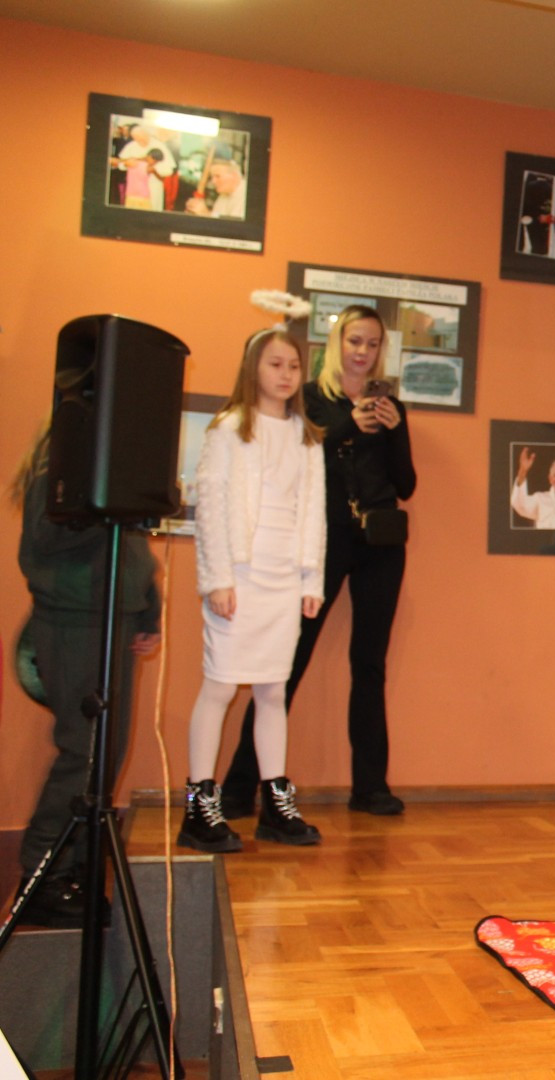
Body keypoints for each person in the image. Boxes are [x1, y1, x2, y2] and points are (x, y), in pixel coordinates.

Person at [220, 306, 417, 818]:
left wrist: (394, 430)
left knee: (369, 665)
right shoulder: (307, 399)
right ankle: (239, 788)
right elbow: (294, 462)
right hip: (319, 543)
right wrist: (349, 426)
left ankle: (370, 788)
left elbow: (406, 484)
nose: (362, 352)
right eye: (354, 341)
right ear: (337, 343)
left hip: (380, 545)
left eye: (372, 343)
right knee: (286, 662)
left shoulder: (390, 405)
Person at [181, 330, 326, 851]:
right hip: (240, 577)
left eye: (294, 366)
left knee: (272, 691)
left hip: (284, 578)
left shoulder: (307, 438)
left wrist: (311, 578)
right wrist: (218, 578)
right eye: (274, 364)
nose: (285, 375)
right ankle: (199, 805)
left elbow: (313, 511)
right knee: (220, 687)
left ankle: (275, 806)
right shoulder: (229, 429)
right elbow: (211, 508)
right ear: (253, 369)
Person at [10, 428, 162, 926]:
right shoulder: (62, 460)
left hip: (115, 616)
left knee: (105, 753)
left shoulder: (112, 457)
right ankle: (41, 874)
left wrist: (147, 609)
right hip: (73, 620)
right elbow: (46, 540)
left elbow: (134, 548)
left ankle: (76, 866)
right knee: (83, 750)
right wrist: (105, 512)